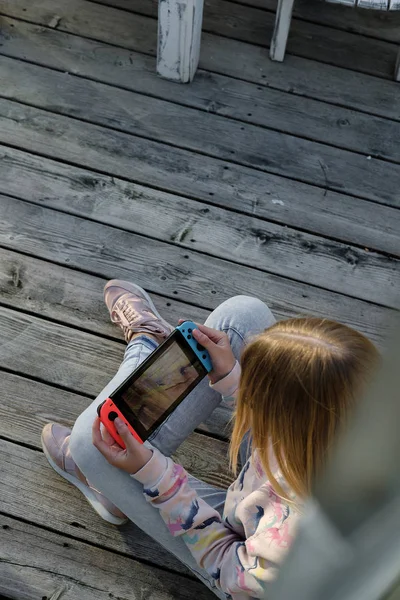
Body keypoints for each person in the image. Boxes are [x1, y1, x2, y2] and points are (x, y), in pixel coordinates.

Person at [41, 280, 379, 599]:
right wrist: (232, 378)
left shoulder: (291, 546)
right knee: (242, 316)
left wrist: (153, 476)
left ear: (288, 423)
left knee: (90, 443)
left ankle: (144, 345)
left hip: (238, 552)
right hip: (267, 498)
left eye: (257, 395)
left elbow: (227, 566)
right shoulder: (355, 426)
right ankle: (146, 352)